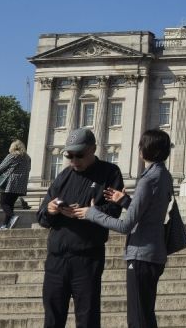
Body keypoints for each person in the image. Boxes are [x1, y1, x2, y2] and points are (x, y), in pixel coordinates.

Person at [72, 129, 173, 328]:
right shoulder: (164, 175)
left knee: (138, 318)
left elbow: (126, 225)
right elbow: (149, 211)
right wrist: (126, 201)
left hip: (141, 254)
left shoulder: (147, 180)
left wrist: (92, 213)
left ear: (145, 150)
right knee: (145, 313)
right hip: (155, 253)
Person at [37, 128, 125, 328]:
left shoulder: (109, 173)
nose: (74, 160)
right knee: (52, 317)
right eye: (69, 155)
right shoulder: (63, 176)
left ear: (93, 149)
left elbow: (115, 210)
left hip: (87, 257)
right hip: (56, 258)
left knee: (87, 317)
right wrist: (51, 210)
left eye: (79, 155)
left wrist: (90, 212)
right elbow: (42, 217)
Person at [0, 140, 32, 229]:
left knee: (3, 203)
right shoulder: (27, 158)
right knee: (10, 204)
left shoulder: (13, 155)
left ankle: (12, 217)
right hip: (21, 184)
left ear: (13, 147)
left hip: (10, 182)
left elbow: (0, 168)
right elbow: (29, 170)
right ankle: (5, 225)